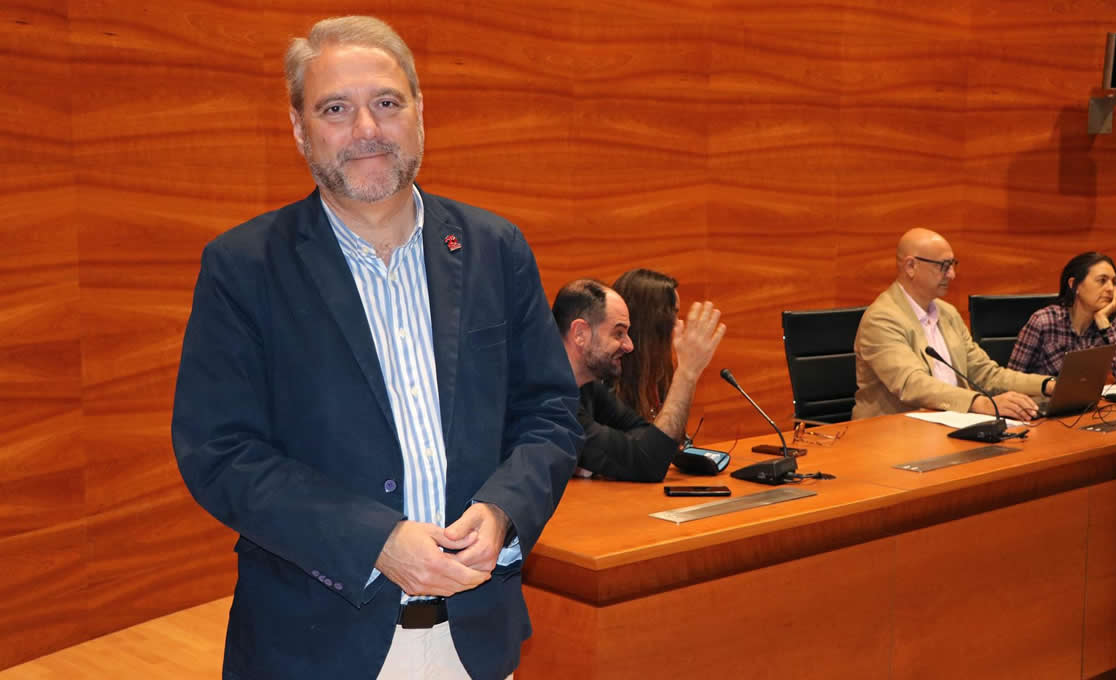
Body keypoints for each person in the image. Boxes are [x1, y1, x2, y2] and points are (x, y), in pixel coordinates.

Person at [171, 16, 581, 680]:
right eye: (337, 108)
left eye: (387, 103)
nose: (367, 127)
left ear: (420, 114)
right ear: (301, 129)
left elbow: (550, 411)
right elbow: (220, 452)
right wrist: (376, 541)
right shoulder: (243, 267)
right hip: (311, 648)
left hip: (474, 641)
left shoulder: (494, 249)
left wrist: (507, 506)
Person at [853, 228, 1054, 421]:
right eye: (943, 266)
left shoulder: (947, 313)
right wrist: (980, 403)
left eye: (952, 265)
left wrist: (1048, 385)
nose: (951, 275)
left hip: (950, 424)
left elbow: (986, 375)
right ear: (911, 266)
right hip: (892, 436)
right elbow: (911, 384)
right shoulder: (882, 319)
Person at [551, 279, 725, 482]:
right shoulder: (550, 399)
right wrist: (687, 372)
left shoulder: (586, 385)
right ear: (580, 334)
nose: (629, 345)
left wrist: (603, 458)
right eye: (618, 333)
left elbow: (645, 435)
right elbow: (649, 462)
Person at [1008, 252, 1116, 385]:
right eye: (1102, 281)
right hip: (1040, 402)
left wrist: (1105, 326)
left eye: (1114, 282)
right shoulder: (1044, 321)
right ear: (1074, 285)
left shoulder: (1112, 324)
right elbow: (1010, 380)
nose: (1111, 289)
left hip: (1090, 404)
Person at [611, 268, 680, 420]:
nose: (678, 324)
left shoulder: (660, 372)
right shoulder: (607, 390)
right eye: (673, 315)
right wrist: (687, 375)